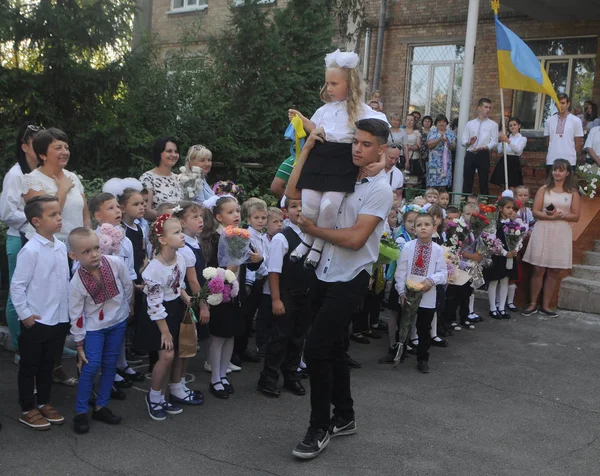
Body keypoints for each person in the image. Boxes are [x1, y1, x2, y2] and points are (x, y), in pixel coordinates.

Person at [285, 118, 393, 460]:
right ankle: (344, 416)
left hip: (351, 276)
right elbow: (290, 193)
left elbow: (355, 239)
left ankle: (319, 427)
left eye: (365, 144)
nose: (357, 149)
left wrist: (313, 229)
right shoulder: (342, 169)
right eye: (355, 142)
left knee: (315, 349)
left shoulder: (380, 189)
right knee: (331, 348)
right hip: (322, 270)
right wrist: (306, 149)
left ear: (381, 149)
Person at [287, 49, 388, 270]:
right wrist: (302, 120)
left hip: (341, 162)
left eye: (334, 84)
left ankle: (317, 245)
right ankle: (307, 241)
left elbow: (382, 132)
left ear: (349, 84)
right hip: (320, 158)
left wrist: (381, 162)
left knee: (330, 205)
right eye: (327, 84)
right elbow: (316, 130)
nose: (329, 89)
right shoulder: (323, 110)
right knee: (311, 204)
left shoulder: (363, 111)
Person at [22, 127, 90, 387]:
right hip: (47, 250)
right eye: (57, 147)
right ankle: (41, 366)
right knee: (48, 307)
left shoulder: (73, 176)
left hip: (75, 249)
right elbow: (47, 215)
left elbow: (84, 211)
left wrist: (89, 241)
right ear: (42, 154)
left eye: (65, 146)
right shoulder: (31, 181)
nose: (64, 151)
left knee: (68, 308)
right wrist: (61, 187)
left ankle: (56, 363)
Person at [11, 195, 69, 430]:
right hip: (37, 319)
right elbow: (17, 285)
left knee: (48, 364)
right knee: (29, 366)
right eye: (53, 215)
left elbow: (63, 281)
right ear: (36, 221)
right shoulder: (31, 250)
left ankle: (44, 401)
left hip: (58, 318)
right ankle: (27, 408)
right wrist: (25, 314)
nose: (59, 218)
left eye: (59, 214)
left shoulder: (61, 245)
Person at [68, 228, 134, 434]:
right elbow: (76, 314)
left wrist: (128, 306)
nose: (94, 254)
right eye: (86, 252)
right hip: (94, 328)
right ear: (74, 256)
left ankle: (101, 406)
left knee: (109, 364)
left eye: (96, 248)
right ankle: (80, 411)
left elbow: (127, 284)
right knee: (91, 365)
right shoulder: (76, 282)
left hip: (117, 321)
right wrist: (79, 343)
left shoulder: (115, 263)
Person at [137, 214, 191, 421]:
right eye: (176, 232)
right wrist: (165, 331)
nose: (182, 235)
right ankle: (154, 397)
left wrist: (186, 298)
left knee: (173, 355)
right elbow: (154, 303)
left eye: (181, 231)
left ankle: (162, 395)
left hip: (174, 308)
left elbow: (178, 284)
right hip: (157, 315)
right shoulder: (154, 269)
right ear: (162, 239)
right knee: (167, 355)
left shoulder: (181, 258)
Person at [257, 197, 311, 397]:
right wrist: (276, 299)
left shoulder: (313, 235)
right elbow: (274, 271)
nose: (299, 210)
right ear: (286, 212)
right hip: (287, 294)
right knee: (280, 337)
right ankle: (268, 378)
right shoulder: (282, 238)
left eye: (303, 205)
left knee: (298, 338)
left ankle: (291, 375)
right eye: (294, 206)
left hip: (305, 295)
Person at [0, 123, 44, 364]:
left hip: (39, 238)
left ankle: (41, 343)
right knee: (18, 294)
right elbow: (6, 212)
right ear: (24, 146)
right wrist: (35, 223)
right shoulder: (16, 174)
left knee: (38, 293)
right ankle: (19, 347)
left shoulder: (42, 173)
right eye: (35, 142)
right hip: (20, 239)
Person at [522, 159, 581, 317]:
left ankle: (546, 305)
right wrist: (550, 217)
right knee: (538, 268)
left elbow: (575, 216)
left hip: (561, 232)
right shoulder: (544, 189)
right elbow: (535, 211)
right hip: (544, 228)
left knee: (554, 270)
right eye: (555, 170)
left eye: (561, 170)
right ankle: (532, 303)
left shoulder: (573, 192)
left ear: (567, 173)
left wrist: (560, 216)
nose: (557, 173)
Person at [394, 212, 447, 373]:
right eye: (419, 225)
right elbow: (401, 269)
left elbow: (443, 273)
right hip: (409, 293)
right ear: (414, 228)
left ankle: (423, 358)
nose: (423, 228)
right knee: (403, 324)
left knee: (424, 327)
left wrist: (431, 280)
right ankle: (398, 353)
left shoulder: (438, 249)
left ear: (434, 228)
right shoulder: (408, 247)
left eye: (427, 225)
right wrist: (401, 291)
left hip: (427, 294)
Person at [233, 198, 269, 366]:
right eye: (257, 218)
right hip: (251, 282)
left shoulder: (261, 236)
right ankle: (236, 351)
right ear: (249, 219)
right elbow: (247, 261)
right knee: (243, 319)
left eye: (263, 218)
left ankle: (243, 348)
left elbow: (265, 257)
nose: (261, 221)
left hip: (261, 280)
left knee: (249, 319)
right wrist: (247, 283)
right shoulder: (246, 236)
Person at [484, 197, 519, 319]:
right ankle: (493, 307)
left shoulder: (514, 225)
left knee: (505, 281)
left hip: (509, 257)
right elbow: (492, 241)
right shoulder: (494, 224)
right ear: (500, 208)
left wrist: (515, 249)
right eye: (508, 207)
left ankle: (502, 307)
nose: (510, 210)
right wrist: (504, 252)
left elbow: (518, 239)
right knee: (494, 281)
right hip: (498, 256)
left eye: (512, 208)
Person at [461, 98, 499, 195]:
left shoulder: (493, 125)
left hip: (483, 153)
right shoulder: (470, 124)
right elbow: (463, 140)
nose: (488, 110)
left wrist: (485, 147)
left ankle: (485, 206)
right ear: (479, 108)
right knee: (467, 180)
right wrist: (469, 143)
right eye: (486, 107)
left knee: (484, 181)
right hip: (470, 153)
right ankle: (464, 204)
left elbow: (494, 141)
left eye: (490, 108)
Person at [140, 136, 183, 220]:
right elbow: (145, 211)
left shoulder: (177, 178)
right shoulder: (148, 178)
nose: (174, 155)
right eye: (169, 151)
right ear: (159, 153)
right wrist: (168, 217)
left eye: (176, 151)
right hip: (159, 228)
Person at [544, 94, 584, 176]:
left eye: (563, 103)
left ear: (568, 104)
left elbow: (579, 143)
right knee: (551, 187)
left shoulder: (576, 121)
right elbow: (548, 142)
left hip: (569, 161)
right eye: (558, 103)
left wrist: (569, 153)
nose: (560, 106)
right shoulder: (549, 121)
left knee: (567, 187)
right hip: (552, 160)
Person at [490, 117, 527, 189]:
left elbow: (518, 150)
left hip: (514, 162)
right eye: (510, 125)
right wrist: (501, 142)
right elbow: (500, 151)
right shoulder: (507, 137)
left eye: (514, 125)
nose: (512, 127)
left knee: (512, 185)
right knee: (502, 184)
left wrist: (508, 141)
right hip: (504, 160)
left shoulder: (522, 138)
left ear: (519, 126)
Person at [426, 114, 456, 189]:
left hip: (445, 163)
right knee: (432, 186)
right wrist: (439, 140)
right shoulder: (432, 132)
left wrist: (448, 143)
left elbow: (454, 147)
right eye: (439, 122)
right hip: (434, 163)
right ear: (436, 123)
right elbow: (429, 145)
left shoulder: (450, 133)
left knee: (443, 185)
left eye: (443, 122)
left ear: (446, 123)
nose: (441, 124)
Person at [403, 114, 423, 183]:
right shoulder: (402, 132)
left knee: (410, 181)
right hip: (401, 158)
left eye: (411, 120)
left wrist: (410, 147)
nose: (409, 122)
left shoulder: (416, 133)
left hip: (413, 159)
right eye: (408, 120)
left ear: (414, 122)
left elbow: (418, 146)